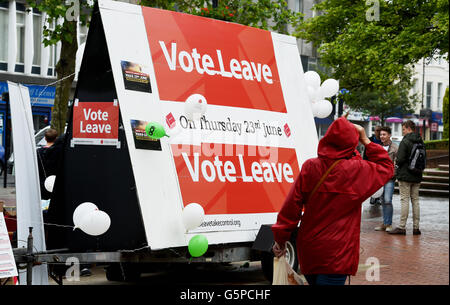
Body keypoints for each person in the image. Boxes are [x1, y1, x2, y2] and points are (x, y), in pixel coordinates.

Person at [271, 116, 394, 285]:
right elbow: (387, 167)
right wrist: (366, 140)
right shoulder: (357, 171)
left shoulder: (310, 167)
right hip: (338, 253)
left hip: (310, 249)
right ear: (352, 142)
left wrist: (280, 239)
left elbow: (291, 206)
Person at [389, 120, 424, 235]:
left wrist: (396, 166)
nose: (402, 131)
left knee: (404, 200)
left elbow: (400, 159)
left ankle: (402, 227)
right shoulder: (420, 140)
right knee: (415, 200)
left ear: (409, 128)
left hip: (405, 174)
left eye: (403, 129)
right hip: (417, 174)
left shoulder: (406, 141)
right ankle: (416, 227)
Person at [374, 126, 398, 232]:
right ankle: (385, 223)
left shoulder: (395, 148)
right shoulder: (378, 147)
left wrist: (393, 173)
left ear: (389, 135)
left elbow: (398, 163)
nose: (382, 136)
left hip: (389, 178)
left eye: (384, 134)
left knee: (388, 200)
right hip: (379, 177)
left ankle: (388, 224)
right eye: (381, 135)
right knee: (382, 200)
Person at [37, 128, 58, 200]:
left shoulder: (38, 152)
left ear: (45, 138)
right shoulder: (59, 152)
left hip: (42, 183)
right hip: (55, 183)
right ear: (56, 138)